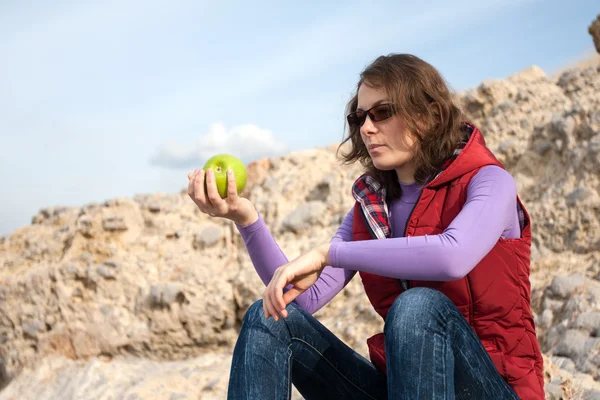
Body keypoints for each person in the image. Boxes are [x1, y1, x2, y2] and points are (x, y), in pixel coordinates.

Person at [187, 53, 544, 400]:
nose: (367, 128)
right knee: (268, 318)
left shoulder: (489, 182)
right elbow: (303, 298)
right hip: (405, 388)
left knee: (417, 306)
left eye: (383, 112)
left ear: (430, 115)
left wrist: (329, 253)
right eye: (360, 117)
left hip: (493, 387)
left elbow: (453, 255)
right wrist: (247, 220)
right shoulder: (373, 209)